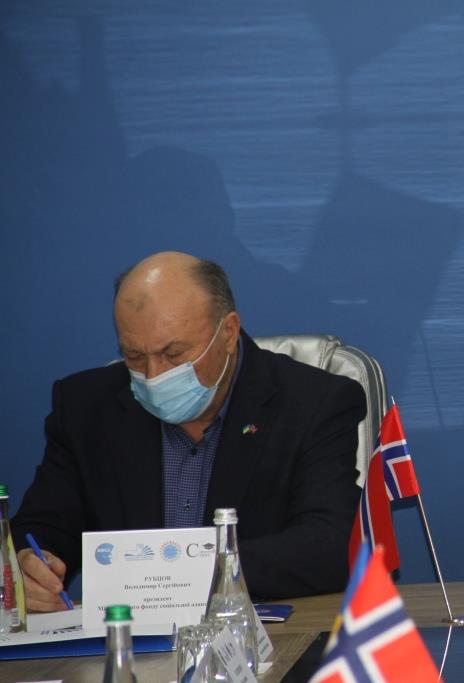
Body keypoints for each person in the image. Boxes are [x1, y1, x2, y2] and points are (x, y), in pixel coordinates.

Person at [13, 252, 366, 610]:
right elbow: (41, 526)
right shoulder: (86, 408)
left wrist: (183, 572)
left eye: (174, 353)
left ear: (228, 333)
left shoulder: (313, 403)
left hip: (260, 633)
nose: (154, 376)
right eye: (134, 356)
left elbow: (331, 545)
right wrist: (28, 565)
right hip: (127, 637)